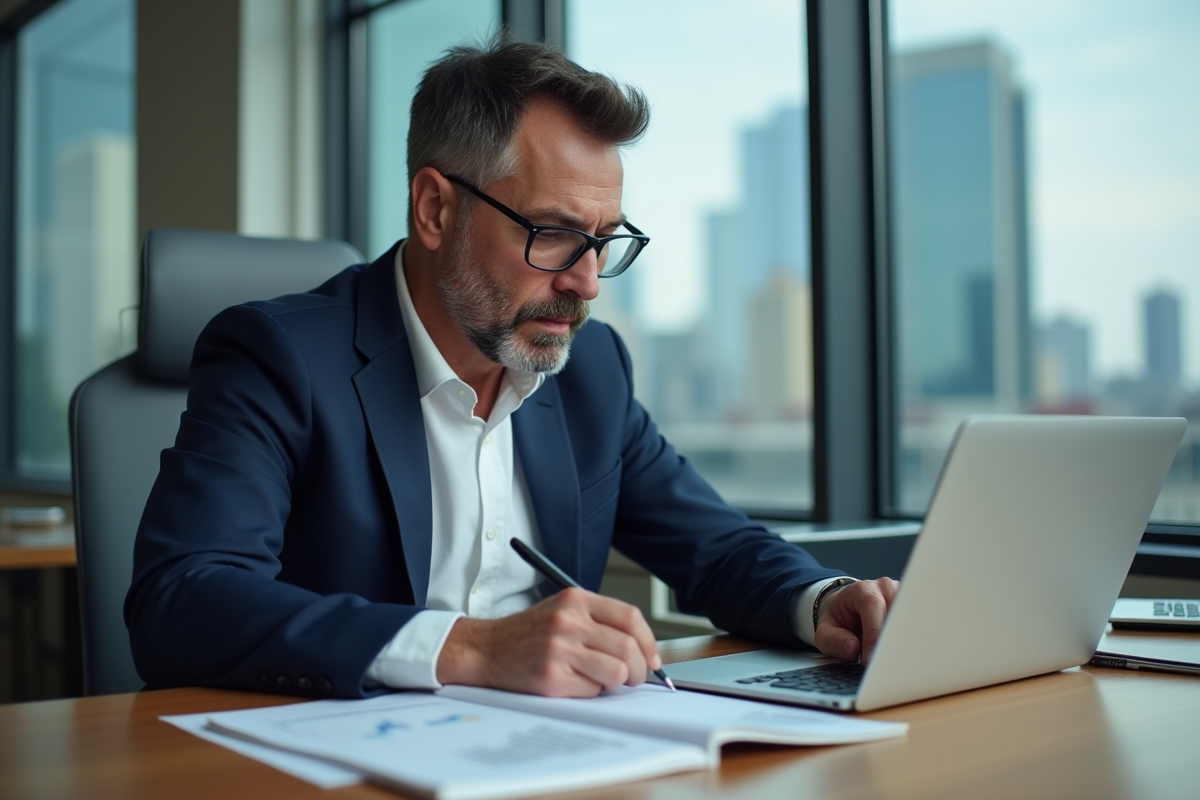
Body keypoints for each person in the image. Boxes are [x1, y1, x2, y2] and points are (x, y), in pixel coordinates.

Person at [125, 35, 898, 700]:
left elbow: (718, 549)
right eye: (554, 234)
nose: (587, 282)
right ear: (435, 210)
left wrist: (823, 599)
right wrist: (470, 648)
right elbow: (182, 601)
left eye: (605, 241)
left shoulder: (593, 366)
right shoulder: (280, 356)